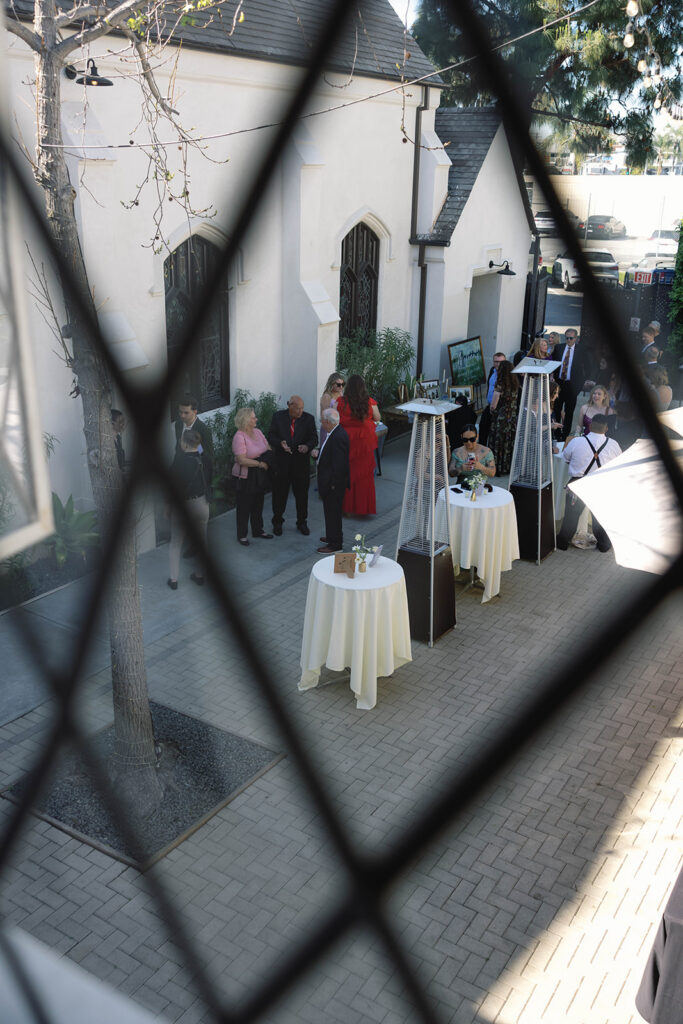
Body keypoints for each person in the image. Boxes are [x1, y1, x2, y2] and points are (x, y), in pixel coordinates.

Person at [556, 414, 621, 553]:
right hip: (601, 486)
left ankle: (562, 543)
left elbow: (565, 457)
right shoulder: (614, 444)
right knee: (600, 516)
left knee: (571, 516)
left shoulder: (576, 441)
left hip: (577, 485)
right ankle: (604, 545)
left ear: (590, 426)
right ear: (607, 428)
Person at [268, 395, 318, 536]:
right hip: (282, 464)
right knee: (279, 495)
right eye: (297, 409)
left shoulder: (308, 419)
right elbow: (271, 435)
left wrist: (307, 447)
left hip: (300, 464)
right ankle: (277, 522)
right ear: (290, 406)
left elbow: (314, 438)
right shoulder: (278, 417)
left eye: (302, 408)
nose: (300, 411)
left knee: (302, 496)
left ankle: (302, 522)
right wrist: (280, 444)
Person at [167, 430, 210, 590]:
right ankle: (199, 576)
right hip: (202, 504)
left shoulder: (178, 462)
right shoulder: (205, 459)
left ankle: (174, 580)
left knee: (176, 543)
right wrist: (198, 446)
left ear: (184, 444)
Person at [336, 374, 381, 515]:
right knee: (364, 475)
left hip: (346, 441)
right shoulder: (368, 402)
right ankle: (363, 508)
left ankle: (347, 508)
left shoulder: (341, 402)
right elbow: (378, 418)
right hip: (364, 442)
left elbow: (335, 418)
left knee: (347, 473)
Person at [231, 407, 273, 546]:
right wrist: (260, 463)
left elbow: (268, 448)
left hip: (259, 475)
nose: (256, 419)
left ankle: (258, 530)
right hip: (245, 476)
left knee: (258, 504)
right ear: (245, 420)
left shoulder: (258, 432)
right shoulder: (239, 436)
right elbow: (242, 460)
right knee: (244, 506)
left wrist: (263, 461)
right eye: (253, 417)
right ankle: (242, 535)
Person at [314, 408, 350, 553]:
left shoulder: (338, 436)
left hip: (333, 485)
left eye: (322, 420)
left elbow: (339, 465)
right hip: (330, 483)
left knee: (333, 514)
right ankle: (331, 536)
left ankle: (335, 545)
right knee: (330, 513)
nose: (321, 422)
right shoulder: (335, 433)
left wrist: (333, 485)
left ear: (328, 422)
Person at [553, 329, 594, 439]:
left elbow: (588, 366)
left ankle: (565, 434)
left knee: (569, 411)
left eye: (571, 338)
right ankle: (556, 432)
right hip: (559, 384)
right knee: (556, 409)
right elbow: (553, 362)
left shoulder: (581, 350)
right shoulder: (559, 348)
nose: (569, 340)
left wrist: (581, 383)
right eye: (567, 338)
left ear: (576, 338)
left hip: (572, 385)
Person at [175, 394, 214, 488]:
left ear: (195, 411)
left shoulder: (203, 429)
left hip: (196, 475)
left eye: (186, 412)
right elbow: (178, 447)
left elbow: (208, 456)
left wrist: (196, 446)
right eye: (180, 412)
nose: (182, 416)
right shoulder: (178, 424)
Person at [487, 360, 518, 475]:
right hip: (511, 417)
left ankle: (497, 467)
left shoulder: (500, 385)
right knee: (508, 441)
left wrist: (491, 409)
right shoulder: (515, 384)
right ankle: (507, 466)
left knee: (498, 442)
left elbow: (494, 404)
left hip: (501, 418)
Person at [478, 352, 505, 446]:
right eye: (496, 362)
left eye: (500, 362)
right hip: (489, 404)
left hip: (499, 407)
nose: (498, 364)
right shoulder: (492, 370)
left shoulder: (506, 375)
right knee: (483, 426)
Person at [319, 372, 345, 447]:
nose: (341, 387)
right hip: (328, 428)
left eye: (343, 384)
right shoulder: (327, 396)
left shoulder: (341, 394)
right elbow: (324, 415)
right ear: (332, 384)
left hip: (338, 427)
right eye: (338, 385)